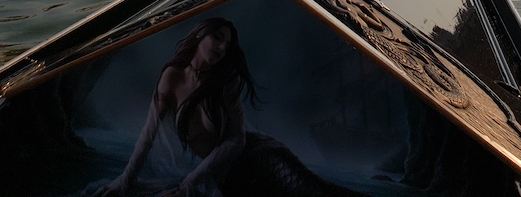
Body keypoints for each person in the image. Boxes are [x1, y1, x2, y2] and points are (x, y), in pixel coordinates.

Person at [91, 17, 362, 197]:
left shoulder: (225, 83)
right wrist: (124, 182)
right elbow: (148, 136)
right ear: (199, 35)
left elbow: (235, 139)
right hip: (227, 179)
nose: (222, 47)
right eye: (218, 37)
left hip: (260, 159)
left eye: (227, 44)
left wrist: (191, 181)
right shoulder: (172, 77)